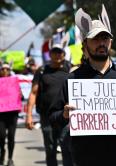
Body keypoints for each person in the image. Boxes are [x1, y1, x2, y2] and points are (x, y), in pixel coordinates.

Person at [49, 5, 116, 166]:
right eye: (96, 39)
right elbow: (53, 118)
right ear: (86, 43)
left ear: (110, 42)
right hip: (87, 157)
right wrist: (64, 114)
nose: (101, 43)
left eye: (105, 38)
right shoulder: (73, 79)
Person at [25, 34, 72, 166]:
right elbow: (33, 93)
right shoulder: (41, 71)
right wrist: (29, 116)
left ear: (64, 54)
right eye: (54, 52)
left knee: (67, 148)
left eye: (60, 52)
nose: (57, 55)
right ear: (50, 54)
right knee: (50, 149)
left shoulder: (71, 69)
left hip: (66, 115)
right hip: (46, 117)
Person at [0, 63, 20, 166]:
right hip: (1, 115)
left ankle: (10, 158)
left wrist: (19, 94)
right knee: (2, 136)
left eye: (7, 69)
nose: (4, 71)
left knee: (11, 136)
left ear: (9, 70)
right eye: (2, 69)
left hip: (12, 114)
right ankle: (2, 153)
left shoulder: (14, 82)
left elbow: (20, 96)